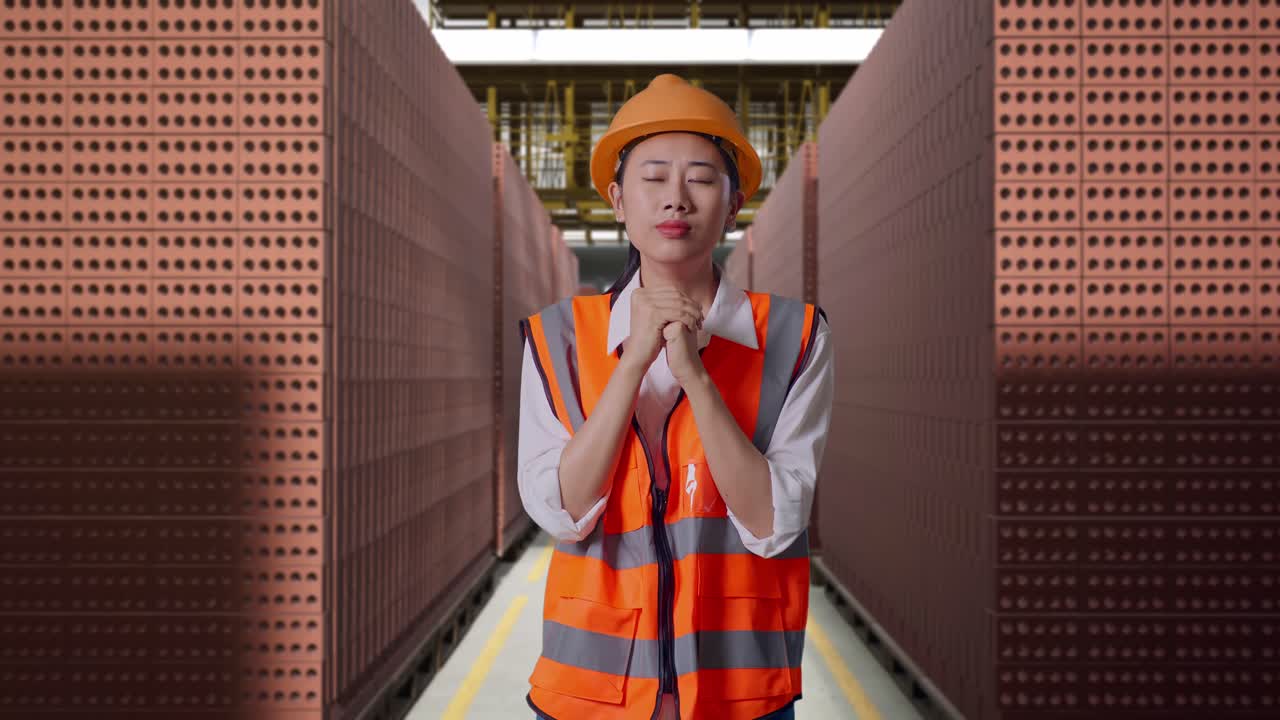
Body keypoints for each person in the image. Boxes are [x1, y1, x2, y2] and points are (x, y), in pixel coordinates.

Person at [517, 73, 834, 720]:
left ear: (735, 200)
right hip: (592, 695)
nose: (676, 199)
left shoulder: (795, 338)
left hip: (737, 694)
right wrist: (631, 366)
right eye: (654, 177)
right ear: (617, 199)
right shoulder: (560, 341)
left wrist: (695, 374)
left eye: (701, 178)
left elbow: (777, 523)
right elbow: (562, 511)